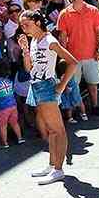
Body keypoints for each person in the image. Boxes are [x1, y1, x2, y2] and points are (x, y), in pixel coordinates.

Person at [19, 10, 77, 185]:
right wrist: (25, 51)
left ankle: (58, 169)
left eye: (26, 24)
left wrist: (61, 85)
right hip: (37, 85)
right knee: (52, 130)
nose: (23, 28)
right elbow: (29, 68)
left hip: (46, 86)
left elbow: (73, 62)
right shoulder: (35, 40)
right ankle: (53, 165)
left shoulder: (50, 40)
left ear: (37, 22)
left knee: (57, 129)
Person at [57, 0, 99, 116]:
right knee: (73, 85)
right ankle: (74, 111)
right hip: (73, 58)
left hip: (91, 54)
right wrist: (64, 58)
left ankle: (95, 106)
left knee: (93, 84)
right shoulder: (64, 14)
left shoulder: (93, 10)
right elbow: (62, 37)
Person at [0, 60, 22, 148]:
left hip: (2, 108)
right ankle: (20, 138)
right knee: (14, 123)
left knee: (3, 126)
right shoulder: (9, 81)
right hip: (13, 106)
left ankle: (4, 143)